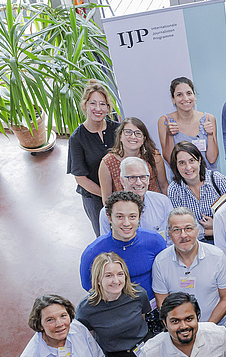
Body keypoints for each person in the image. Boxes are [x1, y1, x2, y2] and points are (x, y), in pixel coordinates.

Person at [152, 208, 226, 325]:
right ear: (169, 234)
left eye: (188, 228)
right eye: (177, 230)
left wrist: (207, 328)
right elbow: (162, 302)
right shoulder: (161, 262)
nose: (183, 235)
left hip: (215, 327)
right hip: (180, 331)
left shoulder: (217, 257)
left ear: (197, 231)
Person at [80, 191, 166, 297]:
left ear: (140, 216)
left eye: (132, 216)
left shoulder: (155, 241)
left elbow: (165, 274)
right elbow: (89, 286)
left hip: (152, 305)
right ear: (109, 217)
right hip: (116, 308)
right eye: (120, 217)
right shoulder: (93, 253)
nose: (126, 223)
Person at [68, 80, 119, 234]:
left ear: (108, 107)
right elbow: (81, 179)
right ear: (85, 106)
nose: (98, 109)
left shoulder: (117, 128)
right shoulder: (77, 139)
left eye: (102, 104)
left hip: (120, 192)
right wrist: (108, 196)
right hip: (95, 197)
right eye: (93, 103)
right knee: (105, 235)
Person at [166, 141, 226, 241]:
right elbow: (179, 225)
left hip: (224, 239)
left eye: (191, 161)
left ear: (199, 160)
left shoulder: (218, 180)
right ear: (176, 166)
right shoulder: (174, 190)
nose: (188, 167)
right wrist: (210, 231)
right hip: (193, 243)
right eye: (182, 163)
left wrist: (216, 223)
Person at [98, 156, 172, 239]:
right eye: (132, 178)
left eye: (143, 177)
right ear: (122, 181)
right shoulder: (107, 212)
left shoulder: (163, 202)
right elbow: (106, 244)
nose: (139, 182)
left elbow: (171, 237)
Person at [157, 77, 219, 174]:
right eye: (179, 95)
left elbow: (212, 159)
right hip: (182, 180)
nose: (185, 98)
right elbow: (170, 161)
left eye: (189, 93)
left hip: (207, 178)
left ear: (194, 96)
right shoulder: (165, 121)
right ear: (173, 99)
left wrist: (210, 135)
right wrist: (169, 135)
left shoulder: (208, 119)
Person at [98, 117, 167, 201]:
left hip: (154, 207)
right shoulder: (108, 163)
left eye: (138, 133)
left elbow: (164, 186)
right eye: (128, 132)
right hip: (125, 211)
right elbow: (107, 198)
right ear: (120, 136)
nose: (133, 136)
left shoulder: (154, 156)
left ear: (144, 139)